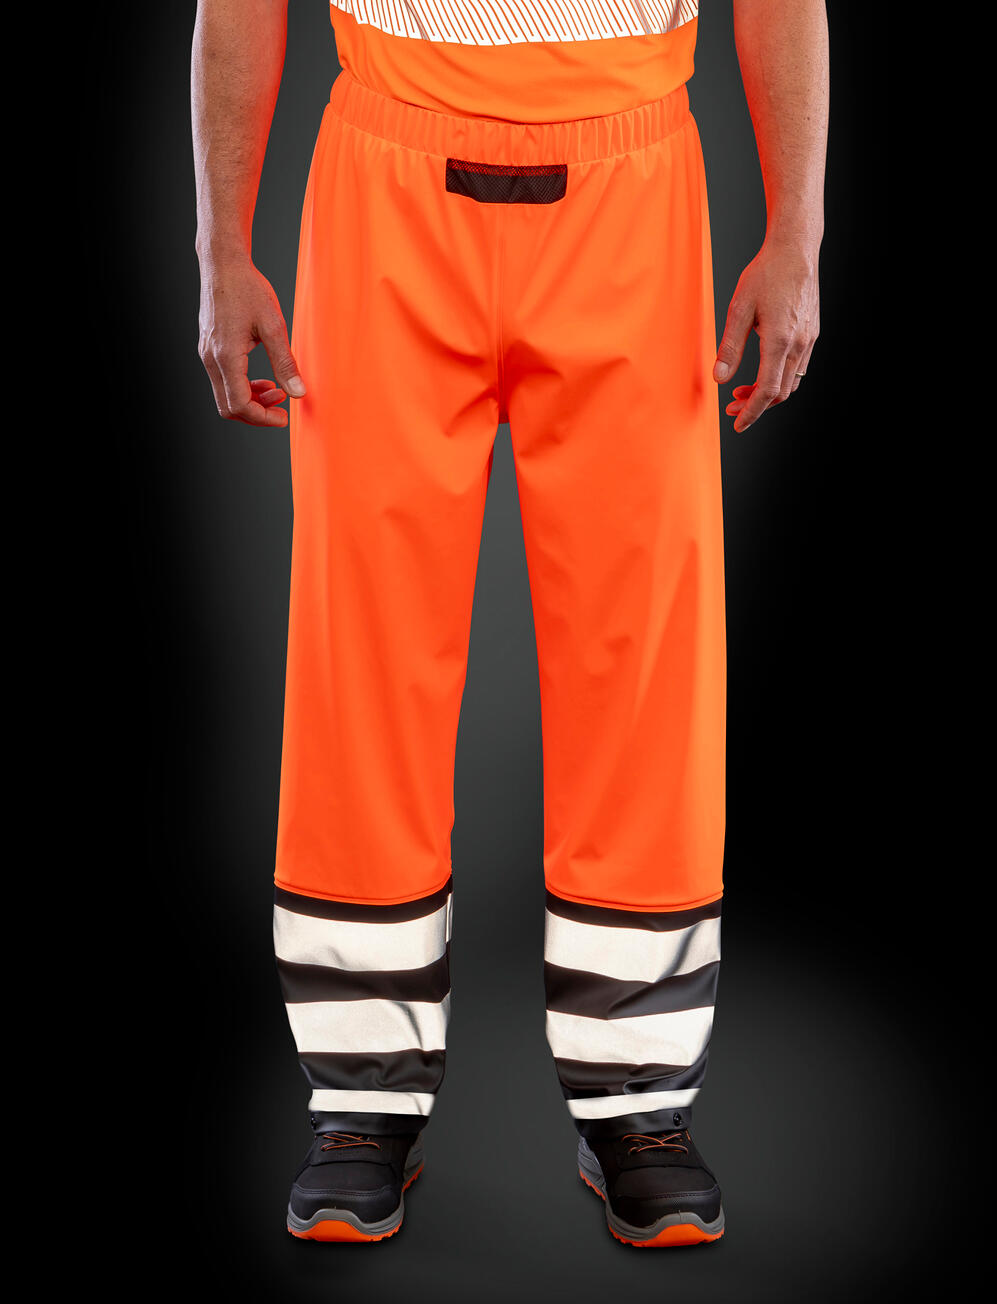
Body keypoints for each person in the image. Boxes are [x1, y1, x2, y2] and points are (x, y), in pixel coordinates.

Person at [191, 0, 827, 1248]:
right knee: (360, 641)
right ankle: (361, 1096)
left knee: (642, 650)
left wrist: (794, 234)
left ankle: (639, 1100)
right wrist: (221, 248)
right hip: (385, 166)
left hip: (632, 172)